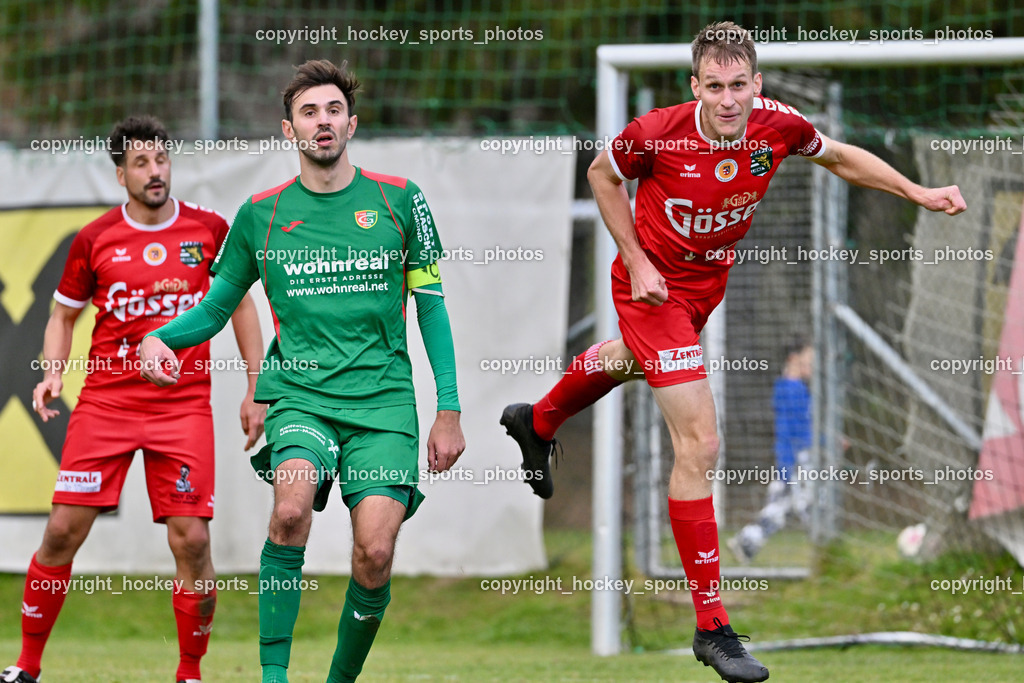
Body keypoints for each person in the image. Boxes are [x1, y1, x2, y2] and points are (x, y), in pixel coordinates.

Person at [500, 21, 966, 683]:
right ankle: (712, 626)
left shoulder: (778, 126)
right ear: (694, 85)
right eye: (714, 86)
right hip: (650, 294)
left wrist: (916, 192)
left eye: (738, 85)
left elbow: (838, 157)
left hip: (702, 293)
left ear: (757, 84)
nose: (727, 99)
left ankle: (537, 419)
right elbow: (602, 175)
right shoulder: (656, 132)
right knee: (701, 443)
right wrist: (637, 260)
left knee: (625, 361)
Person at [138, 59, 465, 683]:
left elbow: (432, 306)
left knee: (375, 552)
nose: (323, 121)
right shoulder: (261, 214)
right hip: (300, 396)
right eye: (309, 112)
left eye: (334, 110)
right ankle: (274, 677)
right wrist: (161, 338)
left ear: (352, 124)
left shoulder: (401, 200)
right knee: (289, 513)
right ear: (289, 130)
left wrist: (448, 407)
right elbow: (216, 307)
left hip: (383, 404)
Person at [3, 115, 266, 683]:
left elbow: (241, 305)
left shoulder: (209, 230)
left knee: (192, 540)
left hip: (182, 408)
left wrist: (255, 386)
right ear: (121, 174)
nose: (155, 171)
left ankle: (189, 673)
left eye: (161, 159)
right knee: (61, 532)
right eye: (141, 163)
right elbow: (62, 317)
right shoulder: (94, 239)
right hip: (106, 407)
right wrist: (53, 373)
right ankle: (26, 666)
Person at [728, 337, 813, 564]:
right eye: (809, 360)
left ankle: (746, 542)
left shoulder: (795, 388)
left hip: (795, 458)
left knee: (780, 506)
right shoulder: (791, 389)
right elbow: (796, 432)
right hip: (795, 460)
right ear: (793, 359)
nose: (812, 366)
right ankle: (829, 549)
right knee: (807, 504)